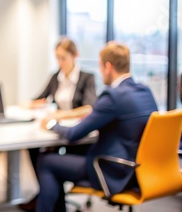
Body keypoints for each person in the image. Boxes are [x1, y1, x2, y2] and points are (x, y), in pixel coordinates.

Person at [35, 42, 158, 212]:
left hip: (110, 171)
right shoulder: (145, 91)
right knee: (63, 157)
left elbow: (73, 134)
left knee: (47, 161)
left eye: (100, 66)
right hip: (139, 172)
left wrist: (51, 124)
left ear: (108, 67)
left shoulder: (112, 97)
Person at [20, 38, 97, 211]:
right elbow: (41, 96)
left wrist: (62, 115)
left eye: (64, 58)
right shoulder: (56, 77)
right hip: (57, 129)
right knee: (33, 148)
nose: (60, 62)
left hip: (76, 132)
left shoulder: (86, 78)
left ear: (75, 56)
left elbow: (88, 107)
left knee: (46, 161)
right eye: (57, 58)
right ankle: (50, 195)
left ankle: (47, 197)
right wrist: (29, 104)